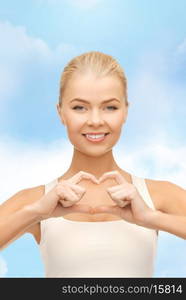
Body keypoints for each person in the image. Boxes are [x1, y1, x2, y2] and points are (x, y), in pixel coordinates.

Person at [0, 51, 186, 278]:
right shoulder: (35, 200)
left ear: (126, 111)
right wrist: (35, 213)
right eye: (80, 107)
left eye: (110, 107)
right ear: (61, 112)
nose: (96, 121)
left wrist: (151, 218)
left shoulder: (158, 194)